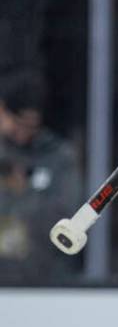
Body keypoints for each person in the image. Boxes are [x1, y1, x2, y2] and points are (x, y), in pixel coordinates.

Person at [0, 70, 82, 278]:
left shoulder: (56, 156)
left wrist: (24, 193)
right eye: (18, 123)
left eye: (31, 126)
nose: (24, 133)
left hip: (43, 277)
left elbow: (68, 218)